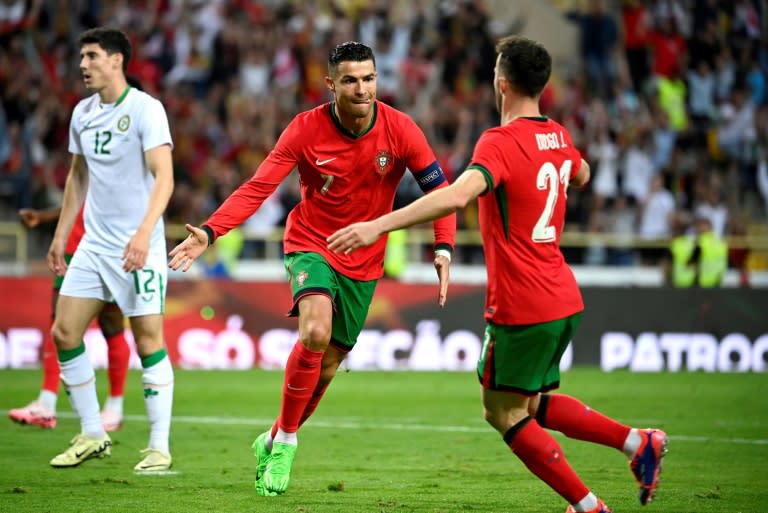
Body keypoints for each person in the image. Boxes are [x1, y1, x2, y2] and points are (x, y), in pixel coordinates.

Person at [328, 35, 667, 513]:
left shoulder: (500, 142)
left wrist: (377, 225)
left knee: (502, 412)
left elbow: (456, 195)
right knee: (530, 404)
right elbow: (583, 170)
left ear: (501, 83)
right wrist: (567, 165)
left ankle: (588, 506)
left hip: (523, 302)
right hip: (564, 297)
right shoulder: (559, 135)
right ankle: (637, 443)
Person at [168, 41, 456, 496]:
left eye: (369, 79)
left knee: (328, 366)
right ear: (331, 84)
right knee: (315, 332)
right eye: (350, 80)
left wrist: (443, 248)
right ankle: (287, 442)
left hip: (364, 260)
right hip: (312, 244)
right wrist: (211, 230)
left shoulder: (401, 130)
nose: (362, 89)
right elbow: (259, 186)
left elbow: (441, 193)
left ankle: (273, 436)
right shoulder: (305, 130)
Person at [47, 27, 175, 472]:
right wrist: (62, 234)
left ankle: (159, 446)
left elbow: (165, 177)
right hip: (95, 245)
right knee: (64, 332)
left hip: (138, 245)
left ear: (117, 60)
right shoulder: (81, 113)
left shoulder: (145, 109)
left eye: (92, 56)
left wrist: (143, 234)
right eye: (81, 56)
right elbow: (77, 177)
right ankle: (92, 432)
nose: (83, 65)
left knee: (148, 341)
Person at [10, 206, 130, 431]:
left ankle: (114, 407)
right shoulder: (83, 170)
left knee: (111, 325)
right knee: (59, 325)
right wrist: (44, 216)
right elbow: (76, 197)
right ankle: (46, 403)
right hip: (73, 249)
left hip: (110, 247)